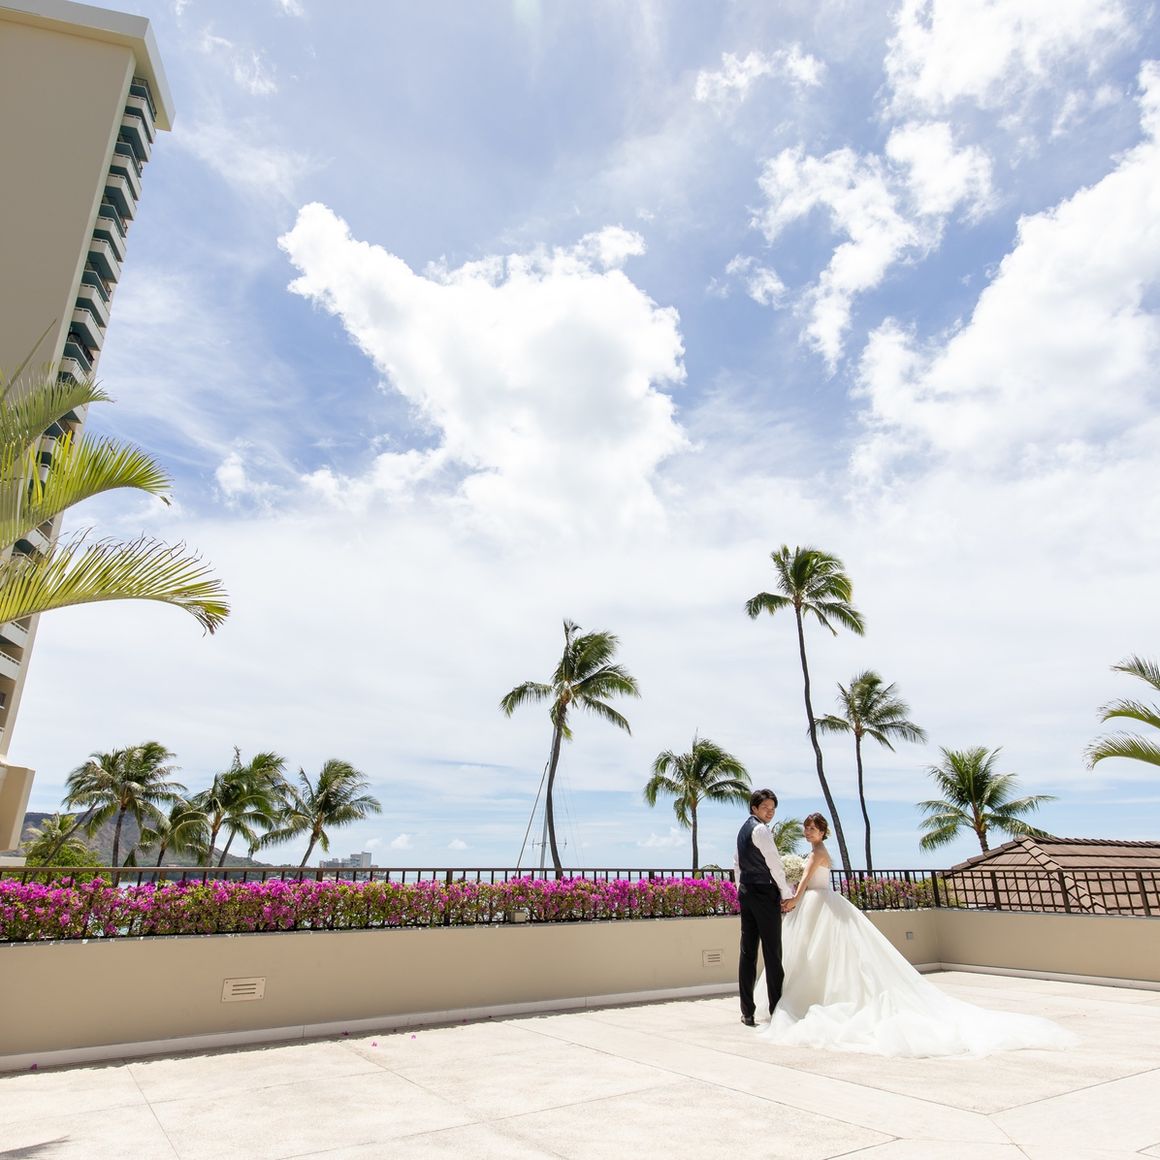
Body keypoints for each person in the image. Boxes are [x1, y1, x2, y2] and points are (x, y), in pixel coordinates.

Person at [754, 813, 1079, 1056]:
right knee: (822, 958)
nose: (808, 832)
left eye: (812, 828)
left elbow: (806, 882)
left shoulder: (817, 854)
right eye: (806, 828)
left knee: (818, 957)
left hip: (817, 903)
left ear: (823, 832)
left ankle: (813, 999)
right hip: (822, 904)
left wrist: (792, 900)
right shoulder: (817, 852)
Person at [735, 788, 795, 1027]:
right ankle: (776, 1009)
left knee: (747, 952)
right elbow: (774, 865)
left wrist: (740, 889)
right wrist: (786, 893)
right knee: (772, 952)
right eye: (765, 808)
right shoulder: (760, 830)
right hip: (763, 893)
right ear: (754, 808)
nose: (770, 812)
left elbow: (736, 863)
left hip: (746, 892)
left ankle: (747, 1012)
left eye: (773, 808)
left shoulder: (743, 830)